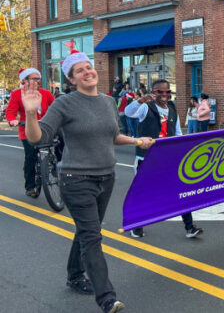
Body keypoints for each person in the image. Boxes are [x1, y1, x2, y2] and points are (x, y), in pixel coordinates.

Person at [22, 49, 154, 313]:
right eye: (79, 70)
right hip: (76, 179)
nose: (87, 72)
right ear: (72, 80)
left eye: (88, 67)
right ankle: (107, 298)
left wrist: (138, 141)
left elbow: (113, 136)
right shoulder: (64, 104)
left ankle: (74, 275)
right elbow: (38, 137)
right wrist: (31, 114)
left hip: (107, 177)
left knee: (86, 231)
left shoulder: (107, 102)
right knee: (92, 236)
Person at [125, 79, 203, 239]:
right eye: (159, 92)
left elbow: (177, 133)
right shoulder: (146, 107)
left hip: (167, 159)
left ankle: (189, 227)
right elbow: (128, 112)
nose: (164, 95)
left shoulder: (173, 109)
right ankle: (136, 226)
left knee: (181, 191)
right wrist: (140, 100)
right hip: (146, 159)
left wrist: (181, 150)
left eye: (167, 91)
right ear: (153, 92)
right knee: (143, 193)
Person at [5, 68, 55, 197]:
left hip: (46, 128)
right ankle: (30, 187)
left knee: (61, 142)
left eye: (37, 79)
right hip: (26, 129)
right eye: (33, 79)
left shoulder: (46, 93)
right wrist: (12, 121)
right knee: (31, 157)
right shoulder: (17, 94)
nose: (36, 82)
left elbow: (56, 108)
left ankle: (57, 166)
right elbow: (10, 111)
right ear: (24, 80)